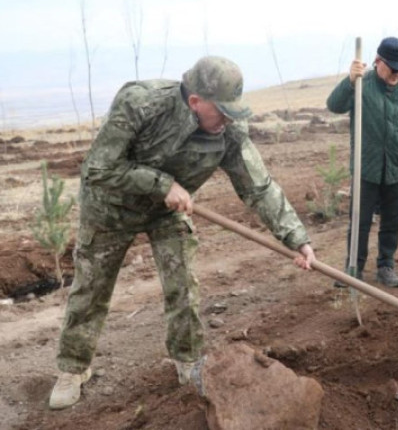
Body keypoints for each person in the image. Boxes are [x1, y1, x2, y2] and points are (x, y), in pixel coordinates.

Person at [48, 56, 317, 409]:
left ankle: (188, 362)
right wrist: (161, 184)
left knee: (183, 286)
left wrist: (296, 238)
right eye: (222, 110)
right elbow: (99, 167)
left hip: (167, 212)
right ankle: (73, 368)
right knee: (92, 287)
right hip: (111, 207)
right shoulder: (141, 103)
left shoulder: (230, 130)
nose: (228, 119)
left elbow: (259, 188)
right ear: (195, 102)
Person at [326, 37, 398, 288]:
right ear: (377, 62)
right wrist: (350, 81)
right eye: (393, 68)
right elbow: (334, 105)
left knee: (392, 220)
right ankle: (354, 268)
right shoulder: (362, 85)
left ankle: (386, 265)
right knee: (359, 221)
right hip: (367, 168)